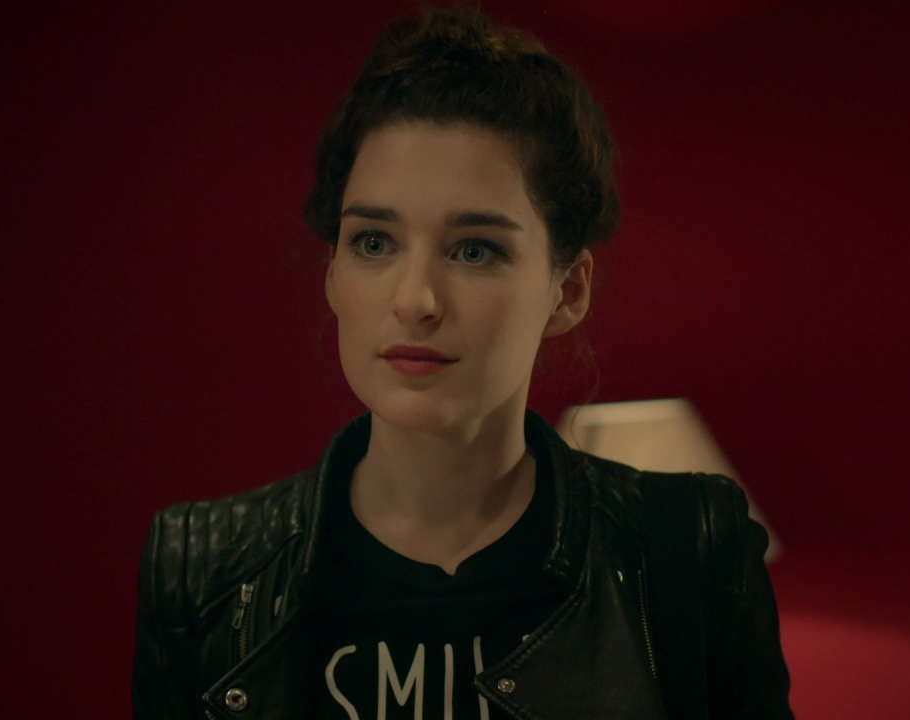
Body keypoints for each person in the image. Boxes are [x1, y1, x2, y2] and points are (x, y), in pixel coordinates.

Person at [132, 4, 793, 718]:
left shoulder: (688, 550)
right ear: (333, 273)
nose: (415, 300)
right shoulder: (203, 572)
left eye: (474, 250)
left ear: (568, 290)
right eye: (374, 243)